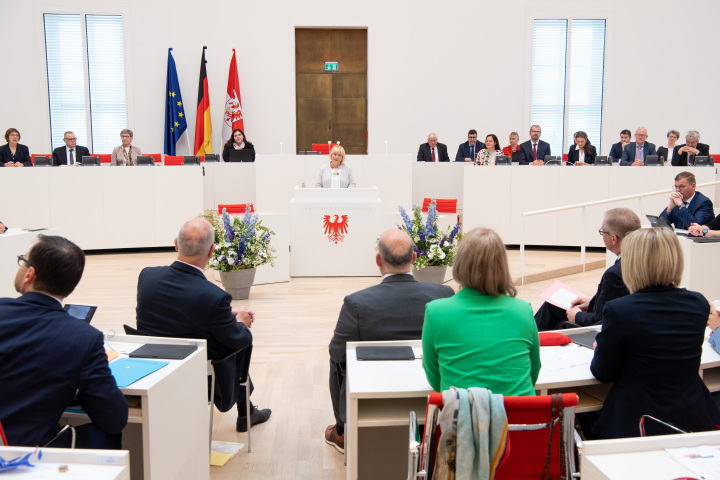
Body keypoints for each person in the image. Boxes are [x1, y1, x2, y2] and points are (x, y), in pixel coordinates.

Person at [136, 218, 271, 432]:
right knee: (236, 344)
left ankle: (248, 411)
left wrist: (225, 315)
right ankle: (246, 412)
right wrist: (241, 323)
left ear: (175, 244)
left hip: (150, 369)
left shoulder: (147, 277)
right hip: (199, 376)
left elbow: (179, 311)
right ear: (212, 251)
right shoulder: (214, 296)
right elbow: (239, 339)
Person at [324, 229, 454, 453]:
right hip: (433, 389)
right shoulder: (443, 294)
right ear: (414, 258)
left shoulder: (356, 303)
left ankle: (343, 431)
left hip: (373, 392)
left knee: (335, 361)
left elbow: (337, 354)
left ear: (378, 260)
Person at [587, 227, 720, 439]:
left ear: (632, 264)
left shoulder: (620, 310)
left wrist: (599, 348)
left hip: (638, 424)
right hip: (691, 417)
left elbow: (603, 373)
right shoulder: (699, 303)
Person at [0, 235, 128, 448]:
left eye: (23, 260)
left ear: (29, 274)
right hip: (24, 453)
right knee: (107, 434)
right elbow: (115, 419)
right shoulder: (83, 338)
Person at [422, 228, 540, 395]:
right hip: (521, 419)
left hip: (462, 418)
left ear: (460, 263)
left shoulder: (436, 312)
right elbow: (532, 374)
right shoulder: (523, 310)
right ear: (502, 266)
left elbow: (435, 378)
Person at [534, 208, 641, 331]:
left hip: (602, 330)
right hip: (627, 322)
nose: (602, 236)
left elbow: (600, 320)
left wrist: (577, 316)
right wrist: (592, 302)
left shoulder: (615, 274)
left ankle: (527, 339)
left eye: (603, 232)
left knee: (553, 320)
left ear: (613, 239)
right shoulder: (640, 260)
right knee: (552, 306)